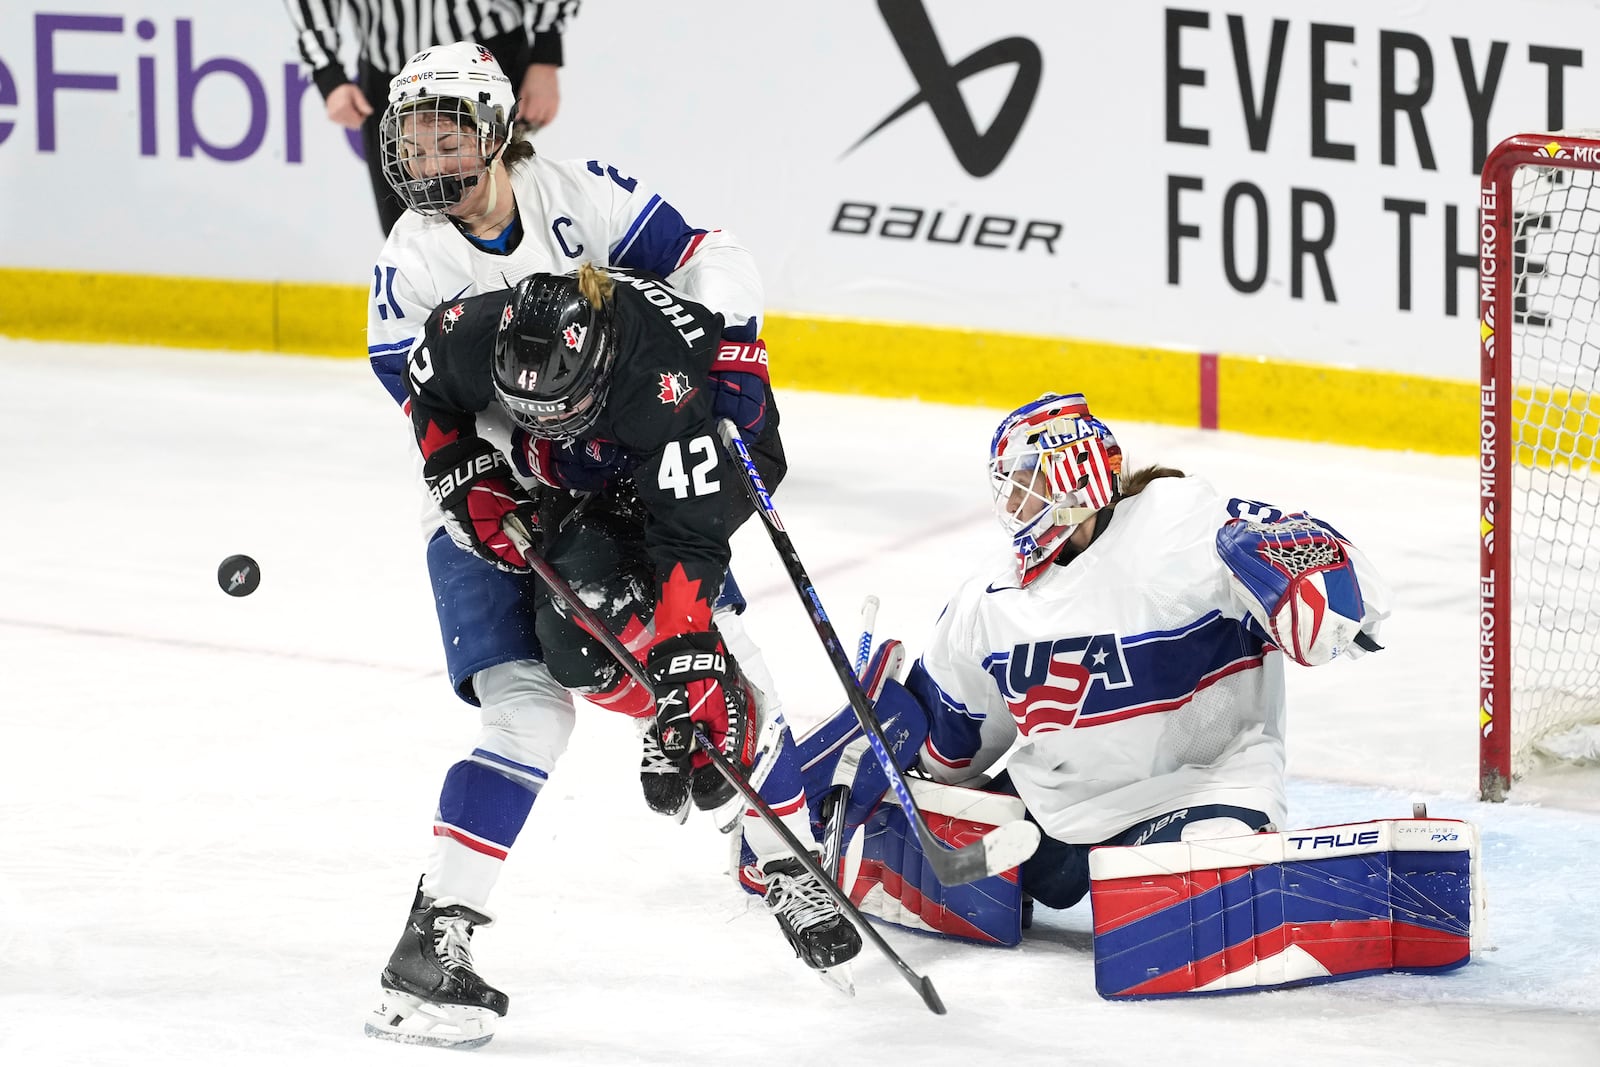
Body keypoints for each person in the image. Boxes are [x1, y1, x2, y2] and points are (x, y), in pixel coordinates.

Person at [360, 43, 857, 1049]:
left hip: (618, 463)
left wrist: (731, 347)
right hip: (495, 495)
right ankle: (434, 935)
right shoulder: (415, 259)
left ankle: (781, 858)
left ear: (498, 130)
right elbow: (428, 401)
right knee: (528, 710)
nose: (422, 150)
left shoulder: (574, 196)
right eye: (410, 133)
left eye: (444, 128)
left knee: (721, 665)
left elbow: (711, 253)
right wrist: (473, 481)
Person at [799, 391, 1392, 932]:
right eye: (1006, 483)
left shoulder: (1181, 523)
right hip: (1060, 811)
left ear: (1073, 473)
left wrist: (1316, 582)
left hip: (1197, 791)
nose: (1012, 500)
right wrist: (879, 753)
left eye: (1025, 479)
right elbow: (951, 749)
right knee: (925, 841)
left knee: (1183, 910)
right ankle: (799, 828)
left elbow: (1353, 603)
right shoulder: (991, 597)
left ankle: (1254, 873)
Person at [283, 1, 578, 235]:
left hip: (483, 66)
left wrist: (546, 52)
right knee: (411, 222)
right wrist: (327, 71)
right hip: (390, 72)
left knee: (500, 213)